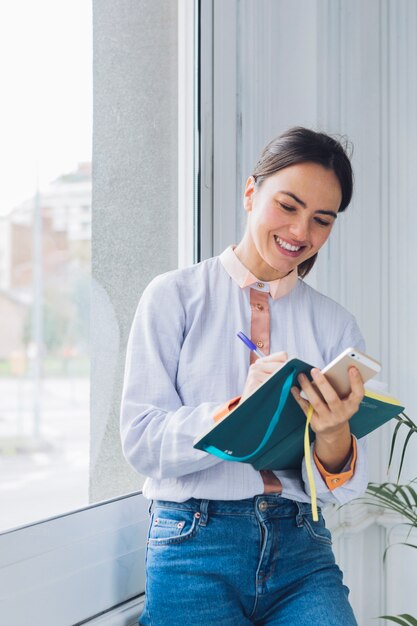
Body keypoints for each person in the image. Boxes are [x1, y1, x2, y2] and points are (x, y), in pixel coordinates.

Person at [120, 127, 368, 626]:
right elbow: (141, 440)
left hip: (302, 548)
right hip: (193, 544)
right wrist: (236, 408)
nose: (301, 232)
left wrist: (334, 432)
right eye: (288, 206)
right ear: (251, 192)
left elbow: (347, 487)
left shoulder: (336, 325)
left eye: (322, 220)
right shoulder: (174, 296)